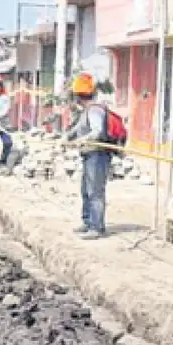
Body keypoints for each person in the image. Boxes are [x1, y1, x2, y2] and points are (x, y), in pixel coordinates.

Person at [64, 72, 111, 240]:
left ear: (79, 96)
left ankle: (96, 227)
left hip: (97, 156)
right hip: (89, 155)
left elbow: (97, 131)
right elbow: (78, 129)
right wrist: (68, 137)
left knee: (95, 191)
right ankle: (88, 222)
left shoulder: (95, 110)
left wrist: (81, 141)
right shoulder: (87, 111)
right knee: (85, 190)